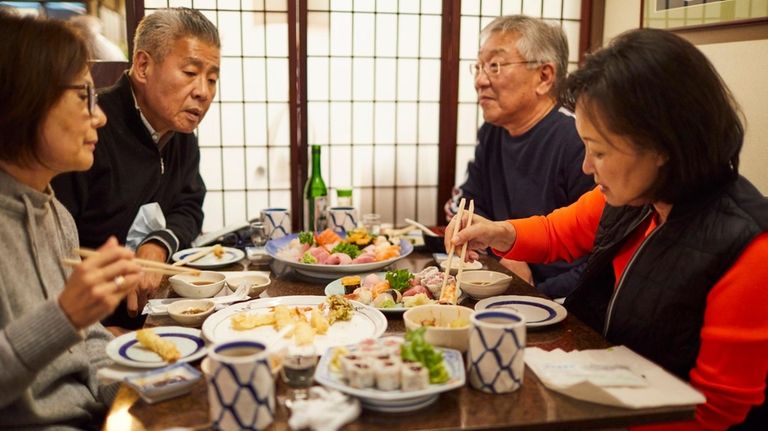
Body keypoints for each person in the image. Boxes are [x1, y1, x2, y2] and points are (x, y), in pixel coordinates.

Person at [447, 28, 767, 430]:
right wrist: (495, 232)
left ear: (663, 145)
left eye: (598, 151)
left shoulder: (748, 247)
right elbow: (557, 232)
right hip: (603, 389)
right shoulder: (637, 197)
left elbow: (712, 413)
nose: (586, 166)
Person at [0, 14, 143, 428]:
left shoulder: (56, 215)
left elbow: (92, 347)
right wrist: (64, 316)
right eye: (85, 97)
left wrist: (145, 394)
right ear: (24, 97)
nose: (100, 117)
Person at [52, 7, 221, 327]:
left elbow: (189, 205)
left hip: (151, 314)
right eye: (190, 72)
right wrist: (93, 334)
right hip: (87, 326)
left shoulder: (181, 134)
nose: (203, 91)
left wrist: (159, 244)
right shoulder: (87, 131)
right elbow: (56, 251)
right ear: (143, 65)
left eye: (212, 79)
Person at [446, 15, 594, 298]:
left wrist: (533, 289)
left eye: (495, 66)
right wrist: (467, 226)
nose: (479, 80)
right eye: (478, 66)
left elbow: (599, 255)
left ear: (544, 76)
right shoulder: (492, 131)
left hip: (562, 300)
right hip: (499, 284)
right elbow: (473, 202)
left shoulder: (577, 141)